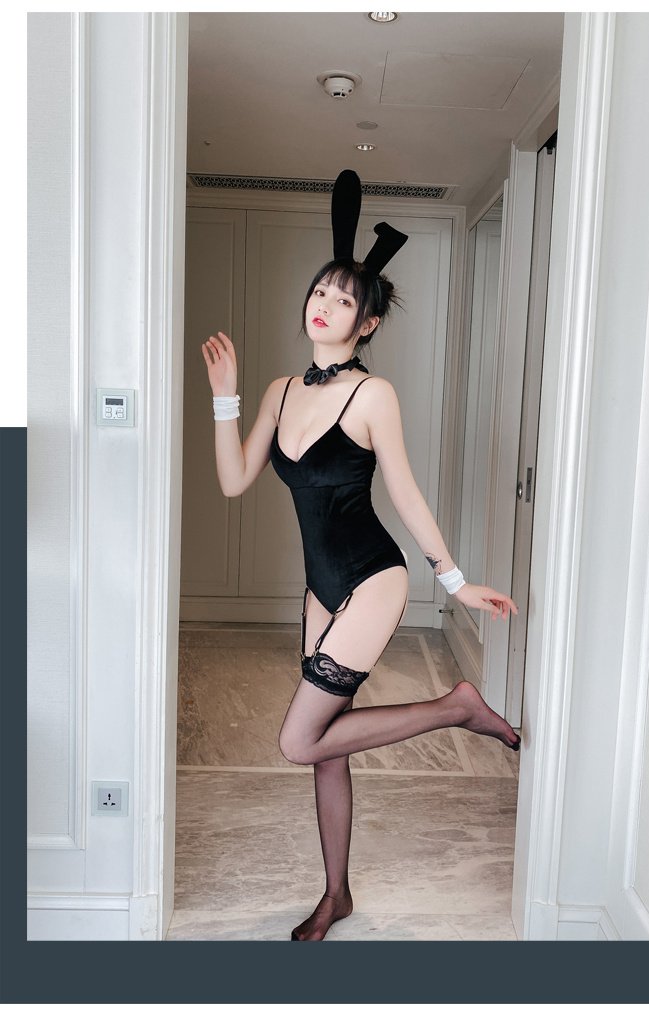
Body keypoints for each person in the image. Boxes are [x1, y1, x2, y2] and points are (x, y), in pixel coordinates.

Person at [201, 170, 521, 942]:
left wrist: (454, 581)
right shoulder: (280, 390)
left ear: (367, 322)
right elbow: (235, 480)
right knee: (324, 750)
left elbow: (404, 493)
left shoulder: (371, 396)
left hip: (374, 578)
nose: (324, 303)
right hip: (321, 587)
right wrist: (226, 396)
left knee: (296, 739)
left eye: (344, 299)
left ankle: (456, 708)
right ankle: (335, 895)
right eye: (321, 290)